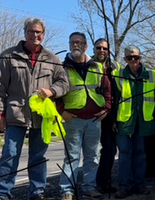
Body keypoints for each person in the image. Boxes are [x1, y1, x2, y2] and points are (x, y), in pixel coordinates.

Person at [0, 18, 69, 200]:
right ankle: (2, 193)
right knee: (10, 154)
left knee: (38, 157)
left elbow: (64, 83)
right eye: (31, 31)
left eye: (39, 32)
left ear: (44, 34)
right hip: (15, 114)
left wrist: (51, 91)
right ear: (25, 33)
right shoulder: (9, 56)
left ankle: (37, 192)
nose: (35, 35)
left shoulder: (53, 59)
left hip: (42, 117)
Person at [57, 32, 111, 200]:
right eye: (73, 42)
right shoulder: (62, 67)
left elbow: (107, 90)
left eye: (79, 43)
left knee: (92, 157)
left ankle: (89, 187)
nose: (76, 45)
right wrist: (62, 112)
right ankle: (67, 190)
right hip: (73, 119)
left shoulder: (97, 67)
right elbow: (56, 93)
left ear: (86, 46)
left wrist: (107, 108)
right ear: (69, 44)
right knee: (71, 156)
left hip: (94, 120)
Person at [112, 45, 155, 199]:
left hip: (144, 121)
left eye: (136, 57)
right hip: (124, 122)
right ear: (125, 59)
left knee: (140, 154)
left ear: (140, 58)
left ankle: (139, 185)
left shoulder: (151, 75)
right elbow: (113, 100)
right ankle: (124, 187)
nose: (133, 60)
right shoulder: (117, 75)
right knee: (125, 154)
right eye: (129, 58)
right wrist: (113, 120)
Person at [92, 38, 120, 194]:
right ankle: (89, 185)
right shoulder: (87, 65)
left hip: (109, 115)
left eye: (105, 48)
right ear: (94, 49)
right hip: (92, 114)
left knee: (109, 150)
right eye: (98, 48)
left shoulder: (115, 67)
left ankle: (104, 182)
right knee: (91, 151)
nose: (101, 51)